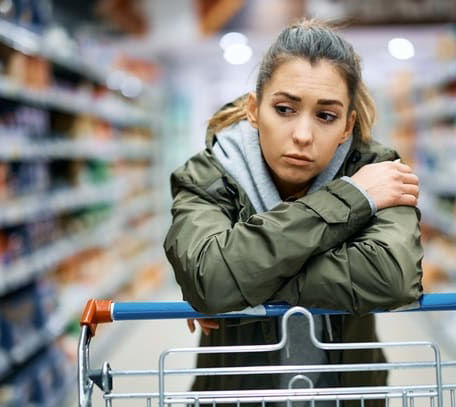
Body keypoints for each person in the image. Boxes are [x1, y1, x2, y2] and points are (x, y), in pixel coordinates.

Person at [163, 19, 424, 402]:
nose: (302, 135)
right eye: (284, 109)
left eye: (326, 116)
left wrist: (237, 281)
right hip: (237, 396)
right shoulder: (207, 176)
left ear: (348, 125)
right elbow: (210, 277)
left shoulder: (378, 171)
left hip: (349, 393)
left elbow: (394, 276)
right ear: (254, 109)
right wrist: (352, 197)